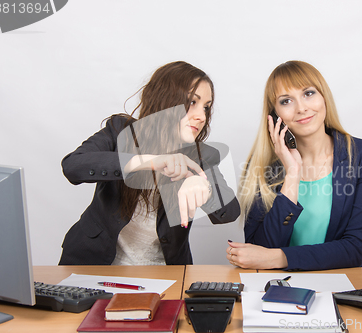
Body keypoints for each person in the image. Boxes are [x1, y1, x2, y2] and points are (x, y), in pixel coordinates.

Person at [59, 61, 240, 265]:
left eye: (206, 107)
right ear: (165, 100)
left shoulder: (202, 156)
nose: (201, 116)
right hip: (93, 264)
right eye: (192, 102)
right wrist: (152, 161)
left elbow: (230, 212)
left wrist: (203, 185)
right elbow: (73, 166)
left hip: (162, 272)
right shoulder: (119, 130)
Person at [227, 61, 362, 271]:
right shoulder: (261, 166)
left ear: (323, 97)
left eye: (308, 93)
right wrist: (292, 173)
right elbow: (260, 249)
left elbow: (356, 248)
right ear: (274, 116)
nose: (301, 108)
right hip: (279, 288)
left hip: (340, 285)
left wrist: (281, 258)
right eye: (286, 100)